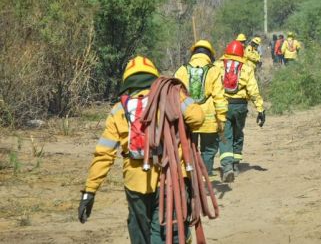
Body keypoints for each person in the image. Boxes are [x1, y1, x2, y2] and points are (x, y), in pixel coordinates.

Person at [78, 56, 204, 244]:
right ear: (154, 78)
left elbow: (104, 154)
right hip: (169, 179)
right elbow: (198, 118)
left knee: (140, 234)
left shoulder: (119, 110)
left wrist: (90, 191)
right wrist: (181, 96)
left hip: (135, 183)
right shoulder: (171, 97)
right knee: (167, 233)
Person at [174, 40, 228, 178]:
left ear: (193, 53)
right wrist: (221, 119)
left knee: (188, 149)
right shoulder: (213, 70)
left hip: (188, 119)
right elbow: (219, 98)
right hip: (209, 121)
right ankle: (204, 179)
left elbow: (174, 96)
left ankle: (191, 180)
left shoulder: (182, 70)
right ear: (210, 54)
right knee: (208, 150)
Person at [217, 40, 265, 182]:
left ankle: (227, 167)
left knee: (225, 135)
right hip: (240, 106)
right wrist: (260, 109)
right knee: (238, 134)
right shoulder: (247, 67)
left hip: (223, 105)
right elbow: (253, 91)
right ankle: (236, 165)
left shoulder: (218, 65)